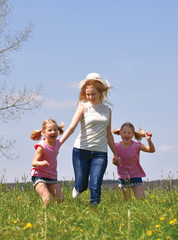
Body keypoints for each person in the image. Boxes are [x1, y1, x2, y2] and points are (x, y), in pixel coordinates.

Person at [60, 73, 119, 205]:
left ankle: (94, 211)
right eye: (88, 94)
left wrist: (115, 153)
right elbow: (72, 127)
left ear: (100, 93)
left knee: (95, 184)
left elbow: (108, 134)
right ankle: (78, 188)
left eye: (93, 94)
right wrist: (59, 143)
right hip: (81, 151)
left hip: (100, 153)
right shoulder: (83, 107)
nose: (90, 97)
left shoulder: (107, 110)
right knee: (82, 185)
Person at [113, 122, 155, 201]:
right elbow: (114, 159)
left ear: (133, 134)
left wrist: (149, 140)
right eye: (124, 132)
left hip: (136, 175)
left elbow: (151, 150)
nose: (126, 134)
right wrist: (115, 161)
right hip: (123, 176)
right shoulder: (116, 146)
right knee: (127, 201)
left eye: (129, 133)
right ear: (120, 133)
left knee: (140, 200)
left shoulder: (137, 145)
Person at [30, 119, 65, 206]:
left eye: (55, 129)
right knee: (47, 199)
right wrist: (41, 163)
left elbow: (70, 131)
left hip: (51, 177)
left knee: (60, 199)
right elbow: (34, 162)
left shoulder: (57, 144)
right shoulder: (42, 146)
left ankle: (56, 216)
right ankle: (43, 217)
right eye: (49, 130)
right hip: (39, 176)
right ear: (44, 132)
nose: (53, 132)